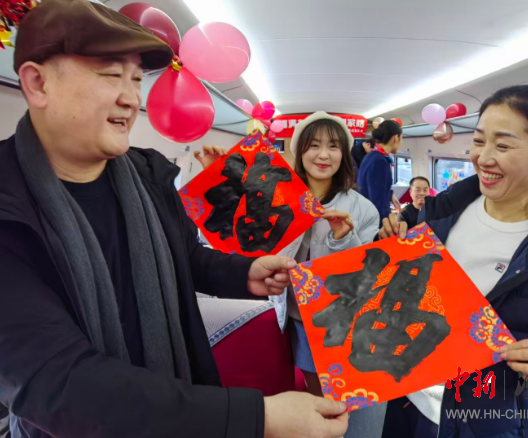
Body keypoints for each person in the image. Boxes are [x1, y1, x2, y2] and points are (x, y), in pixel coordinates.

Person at [0, 1, 348, 438]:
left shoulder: (147, 176)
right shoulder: (11, 211)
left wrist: (244, 273)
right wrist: (258, 418)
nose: (131, 98)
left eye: (136, 79)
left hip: (178, 391)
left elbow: (185, 255)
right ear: (37, 83)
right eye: (110, 75)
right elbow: (60, 383)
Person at [379, 76, 528, 438]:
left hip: (484, 422)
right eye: (478, 140)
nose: (483, 158)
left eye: (503, 145)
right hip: (406, 398)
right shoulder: (439, 214)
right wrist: (391, 246)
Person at [271, 111, 379, 396]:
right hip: (289, 312)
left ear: (344, 154)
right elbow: (256, 247)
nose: (323, 155)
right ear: (300, 151)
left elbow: (364, 276)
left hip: (338, 319)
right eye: (314, 145)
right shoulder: (280, 198)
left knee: (338, 393)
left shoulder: (364, 210)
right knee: (308, 389)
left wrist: (342, 238)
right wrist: (220, 179)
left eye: (333, 146)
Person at [357, 120, 403, 223]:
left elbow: (374, 187)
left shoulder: (372, 156)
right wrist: (386, 223)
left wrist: (389, 195)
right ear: (396, 138)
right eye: (401, 138)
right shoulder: (380, 161)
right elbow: (377, 202)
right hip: (373, 221)